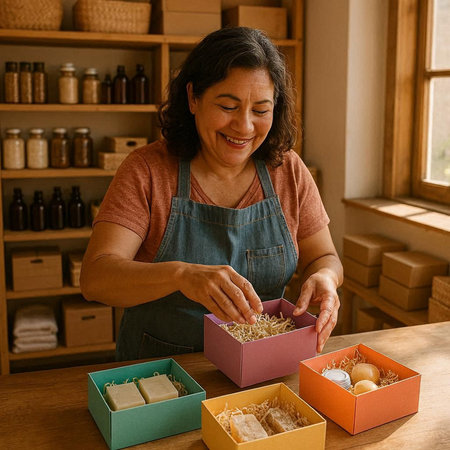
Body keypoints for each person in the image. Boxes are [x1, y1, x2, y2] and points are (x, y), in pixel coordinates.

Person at [80, 27, 343, 362]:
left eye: (260, 110)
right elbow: (96, 278)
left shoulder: (288, 171)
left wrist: (325, 278)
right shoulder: (147, 170)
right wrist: (180, 275)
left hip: (262, 367)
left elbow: (324, 257)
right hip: (161, 371)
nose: (245, 126)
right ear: (193, 98)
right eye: (228, 106)